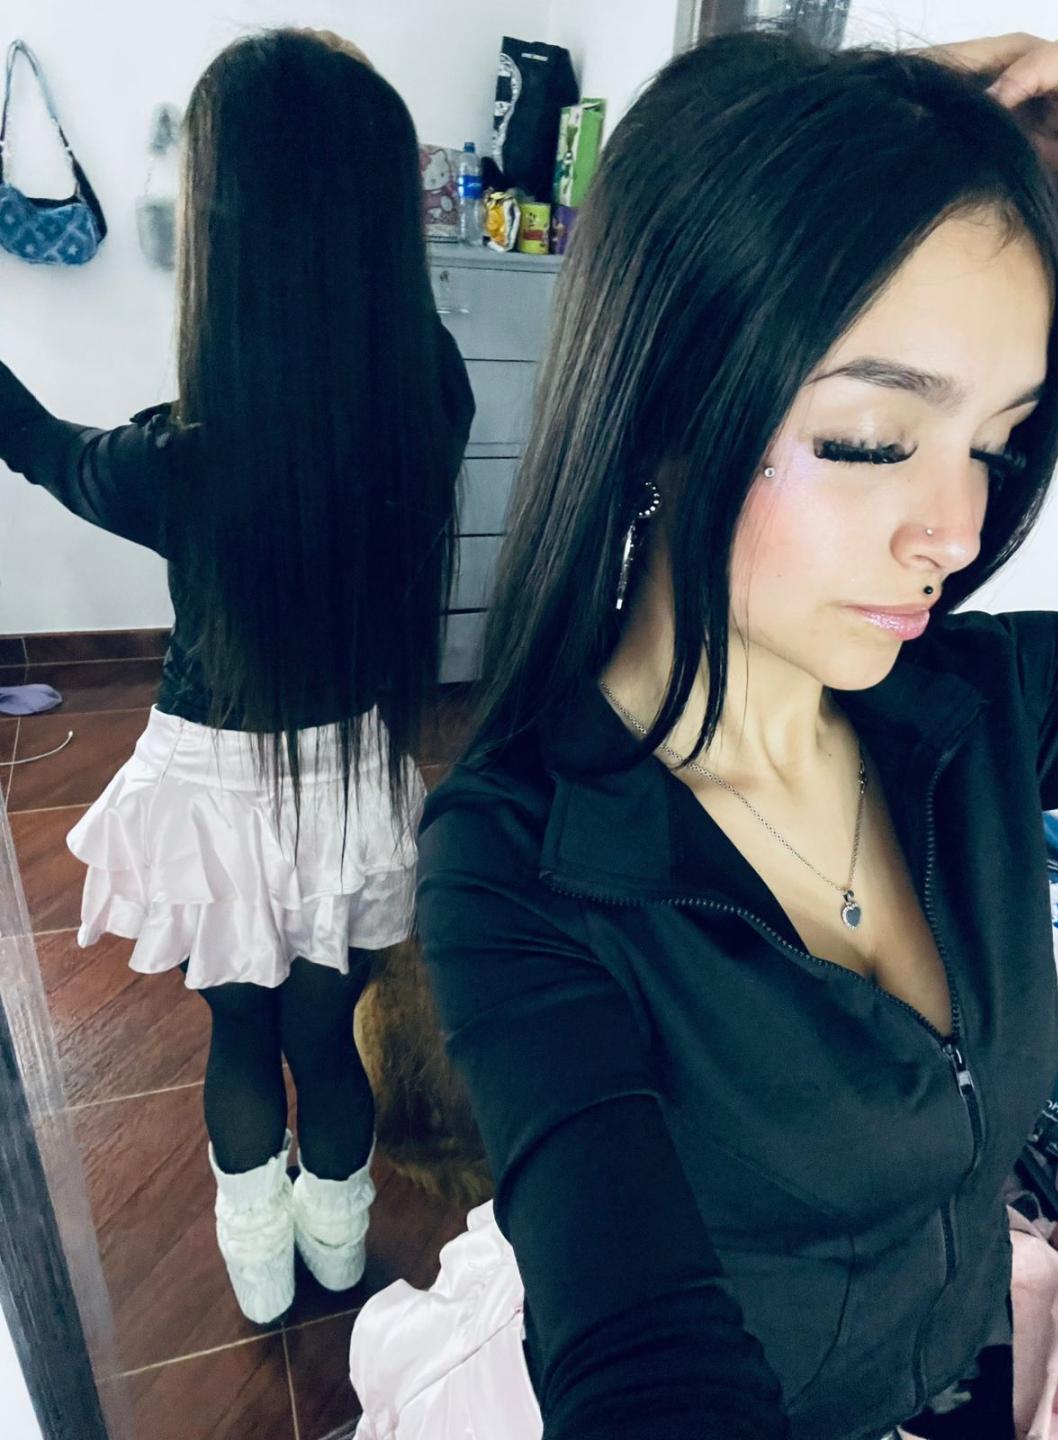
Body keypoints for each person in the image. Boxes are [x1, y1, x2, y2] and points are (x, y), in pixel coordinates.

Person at [381, 26, 1058, 1440]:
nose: (958, 532)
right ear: (660, 413)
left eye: (998, 445)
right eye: (875, 440)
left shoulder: (987, 699)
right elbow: (643, 1358)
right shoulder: (523, 869)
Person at [0, 28, 473, 1324]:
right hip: (352, 779)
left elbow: (41, 445)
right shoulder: (431, 404)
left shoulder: (179, 463)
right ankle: (339, 1256)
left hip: (213, 794)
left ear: (225, 234)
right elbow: (388, 315)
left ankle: (263, 1280)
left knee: (242, 1038)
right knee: (328, 1037)